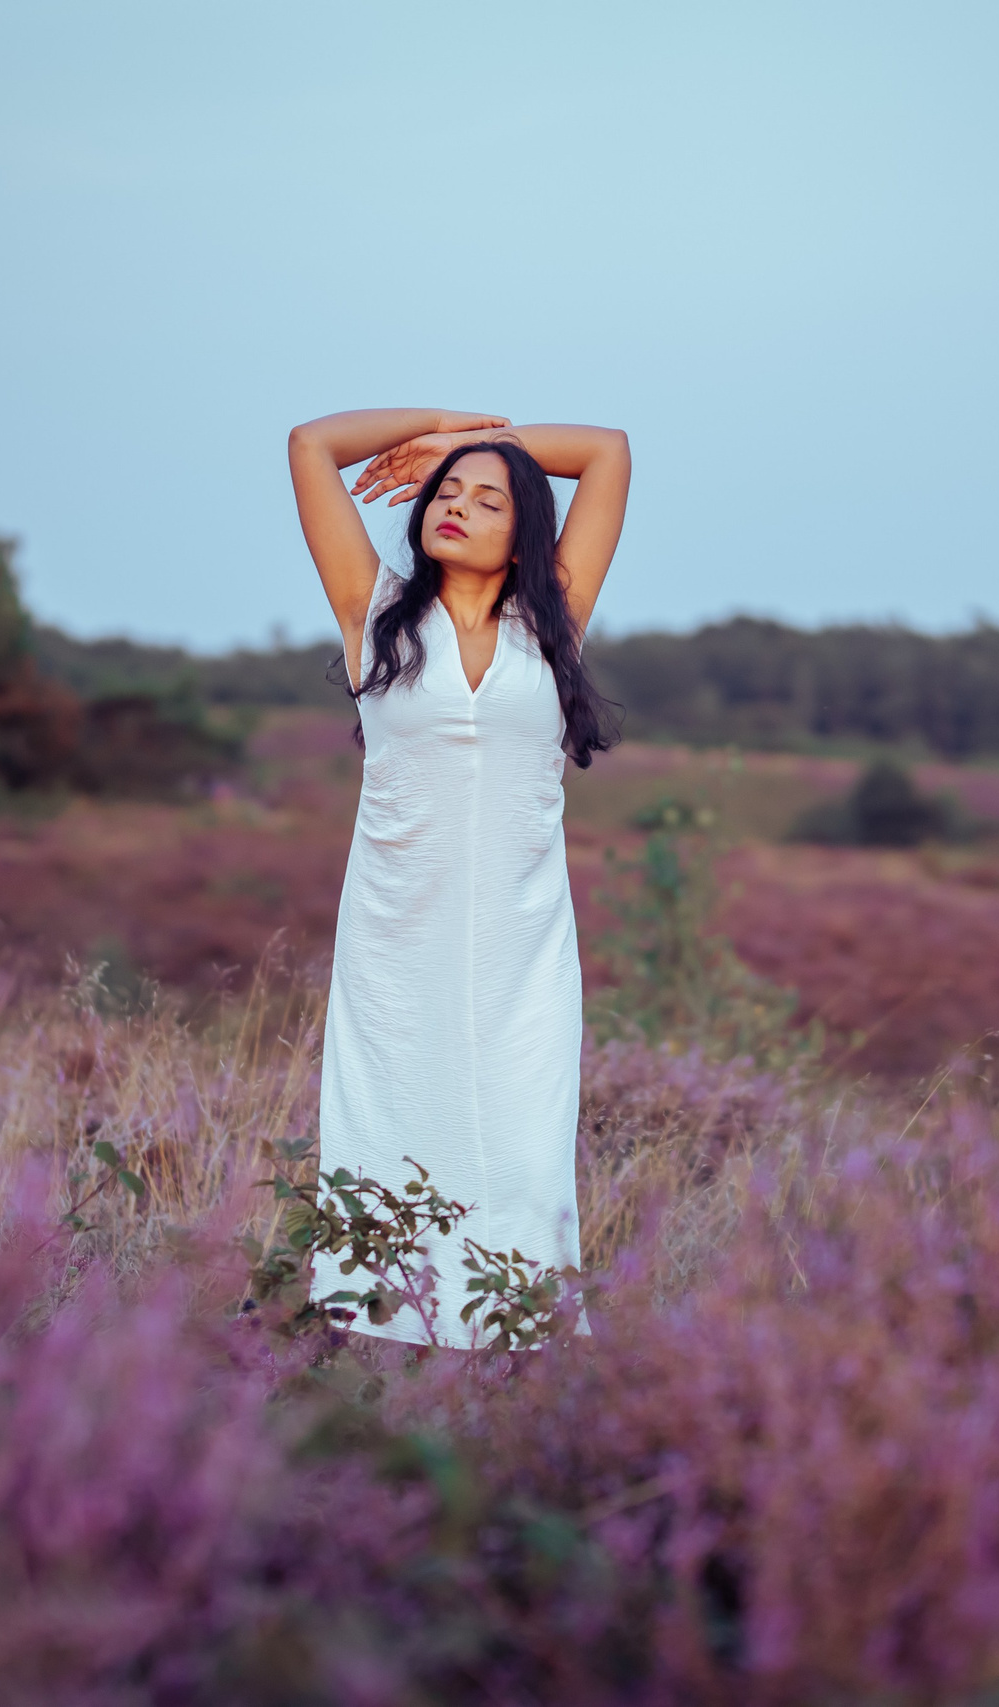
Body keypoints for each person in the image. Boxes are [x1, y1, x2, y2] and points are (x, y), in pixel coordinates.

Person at [285, 408, 632, 1347]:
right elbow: (310, 446)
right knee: (390, 1146)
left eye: (487, 500)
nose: (456, 504)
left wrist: (478, 449)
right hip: (397, 948)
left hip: (524, 955)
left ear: (525, 531)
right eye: (445, 491)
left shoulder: (553, 621)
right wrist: (444, 426)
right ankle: (381, 1357)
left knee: (520, 1163)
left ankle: (515, 1359)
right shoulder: (375, 611)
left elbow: (606, 451)